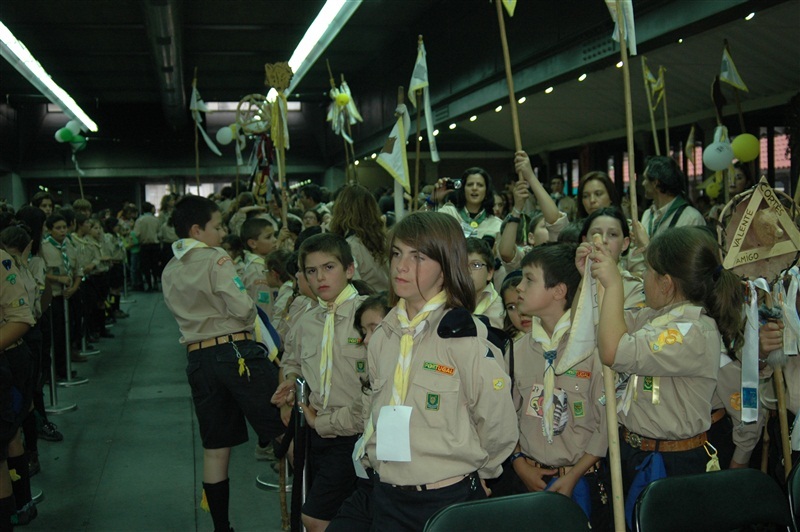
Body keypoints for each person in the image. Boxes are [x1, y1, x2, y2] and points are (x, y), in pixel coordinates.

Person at [330, 211, 518, 531]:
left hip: (447, 498)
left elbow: (498, 423)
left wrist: (483, 473)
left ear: (445, 268)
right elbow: (375, 408)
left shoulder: (464, 338)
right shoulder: (382, 336)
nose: (401, 266)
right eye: (397, 253)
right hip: (387, 494)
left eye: (418, 257)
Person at [585, 226, 743, 526]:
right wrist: (595, 277)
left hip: (674, 462)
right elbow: (605, 325)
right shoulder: (658, 317)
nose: (642, 278)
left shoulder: (691, 331)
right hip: (639, 451)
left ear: (666, 283)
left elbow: (613, 351)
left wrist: (616, 284)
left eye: (647, 271)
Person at [161, 195, 282, 532]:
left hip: (198, 358)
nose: (222, 232)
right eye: (217, 226)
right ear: (197, 230)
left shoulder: (170, 268)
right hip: (235, 352)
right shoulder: (215, 258)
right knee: (286, 426)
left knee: (216, 449)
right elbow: (243, 309)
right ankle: (307, 512)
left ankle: (221, 527)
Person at [271, 233, 368, 532]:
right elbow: (293, 360)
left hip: (354, 434)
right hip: (315, 433)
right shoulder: (307, 320)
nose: (320, 277)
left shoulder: (369, 314)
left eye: (329, 267)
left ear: (349, 270)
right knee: (339, 512)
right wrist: (290, 379)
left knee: (314, 517)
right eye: (311, 271)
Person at [511, 243, 609, 526]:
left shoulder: (591, 349)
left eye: (529, 279)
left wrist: (575, 475)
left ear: (558, 291)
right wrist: (519, 465)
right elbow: (507, 417)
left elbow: (605, 424)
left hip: (581, 481)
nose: (519, 287)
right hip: (530, 478)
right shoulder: (517, 352)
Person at [40, 213, 83, 379]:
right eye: (58, 228)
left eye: (64, 227)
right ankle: (55, 371)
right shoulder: (44, 248)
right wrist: (58, 279)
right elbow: (41, 272)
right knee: (57, 335)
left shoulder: (69, 245)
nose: (62, 231)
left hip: (70, 294)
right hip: (55, 297)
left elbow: (78, 269)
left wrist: (74, 287)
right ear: (50, 230)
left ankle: (65, 367)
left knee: (71, 330)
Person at [578, 207, 644, 309]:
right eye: (596, 233)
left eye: (613, 234)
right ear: (585, 240)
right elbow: (575, 323)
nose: (603, 240)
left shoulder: (634, 287)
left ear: (625, 243)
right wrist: (584, 278)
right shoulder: (572, 281)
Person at [329, 184, 390, 293]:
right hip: (391, 301)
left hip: (368, 304)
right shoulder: (385, 239)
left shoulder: (348, 246)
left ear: (340, 210)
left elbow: (354, 289)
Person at [437, 168, 502, 240]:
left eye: (480, 185)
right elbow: (424, 227)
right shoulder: (448, 214)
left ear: (486, 191)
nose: (474, 188)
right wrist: (432, 200)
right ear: (463, 189)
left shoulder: (497, 225)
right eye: (470, 184)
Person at [240, 218, 278, 317]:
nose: (275, 240)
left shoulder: (256, 265)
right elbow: (264, 313)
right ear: (253, 243)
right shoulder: (259, 273)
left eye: (274, 235)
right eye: (268, 237)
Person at [466, 237, 504, 328]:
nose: (467, 271)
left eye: (476, 265)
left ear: (489, 273)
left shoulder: (500, 308)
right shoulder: (444, 301)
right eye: (461, 264)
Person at [133, 202, 161, 291]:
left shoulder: (140, 220)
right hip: (155, 245)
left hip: (144, 246)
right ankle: (156, 283)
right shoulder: (156, 220)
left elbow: (136, 234)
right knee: (155, 265)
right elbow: (159, 233)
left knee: (146, 266)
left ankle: (149, 285)